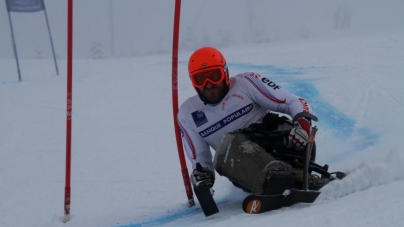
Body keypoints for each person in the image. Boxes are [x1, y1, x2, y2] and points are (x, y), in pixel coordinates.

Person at [177, 46, 316, 196]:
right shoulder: (187, 113)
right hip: (246, 169)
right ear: (193, 82)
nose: (208, 84)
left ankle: (292, 175)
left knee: (232, 139)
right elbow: (201, 159)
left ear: (224, 72)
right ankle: (276, 178)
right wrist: (203, 177)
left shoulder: (246, 82)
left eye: (214, 76)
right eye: (201, 79)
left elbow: (293, 102)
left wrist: (302, 127)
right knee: (228, 145)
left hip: (288, 145)